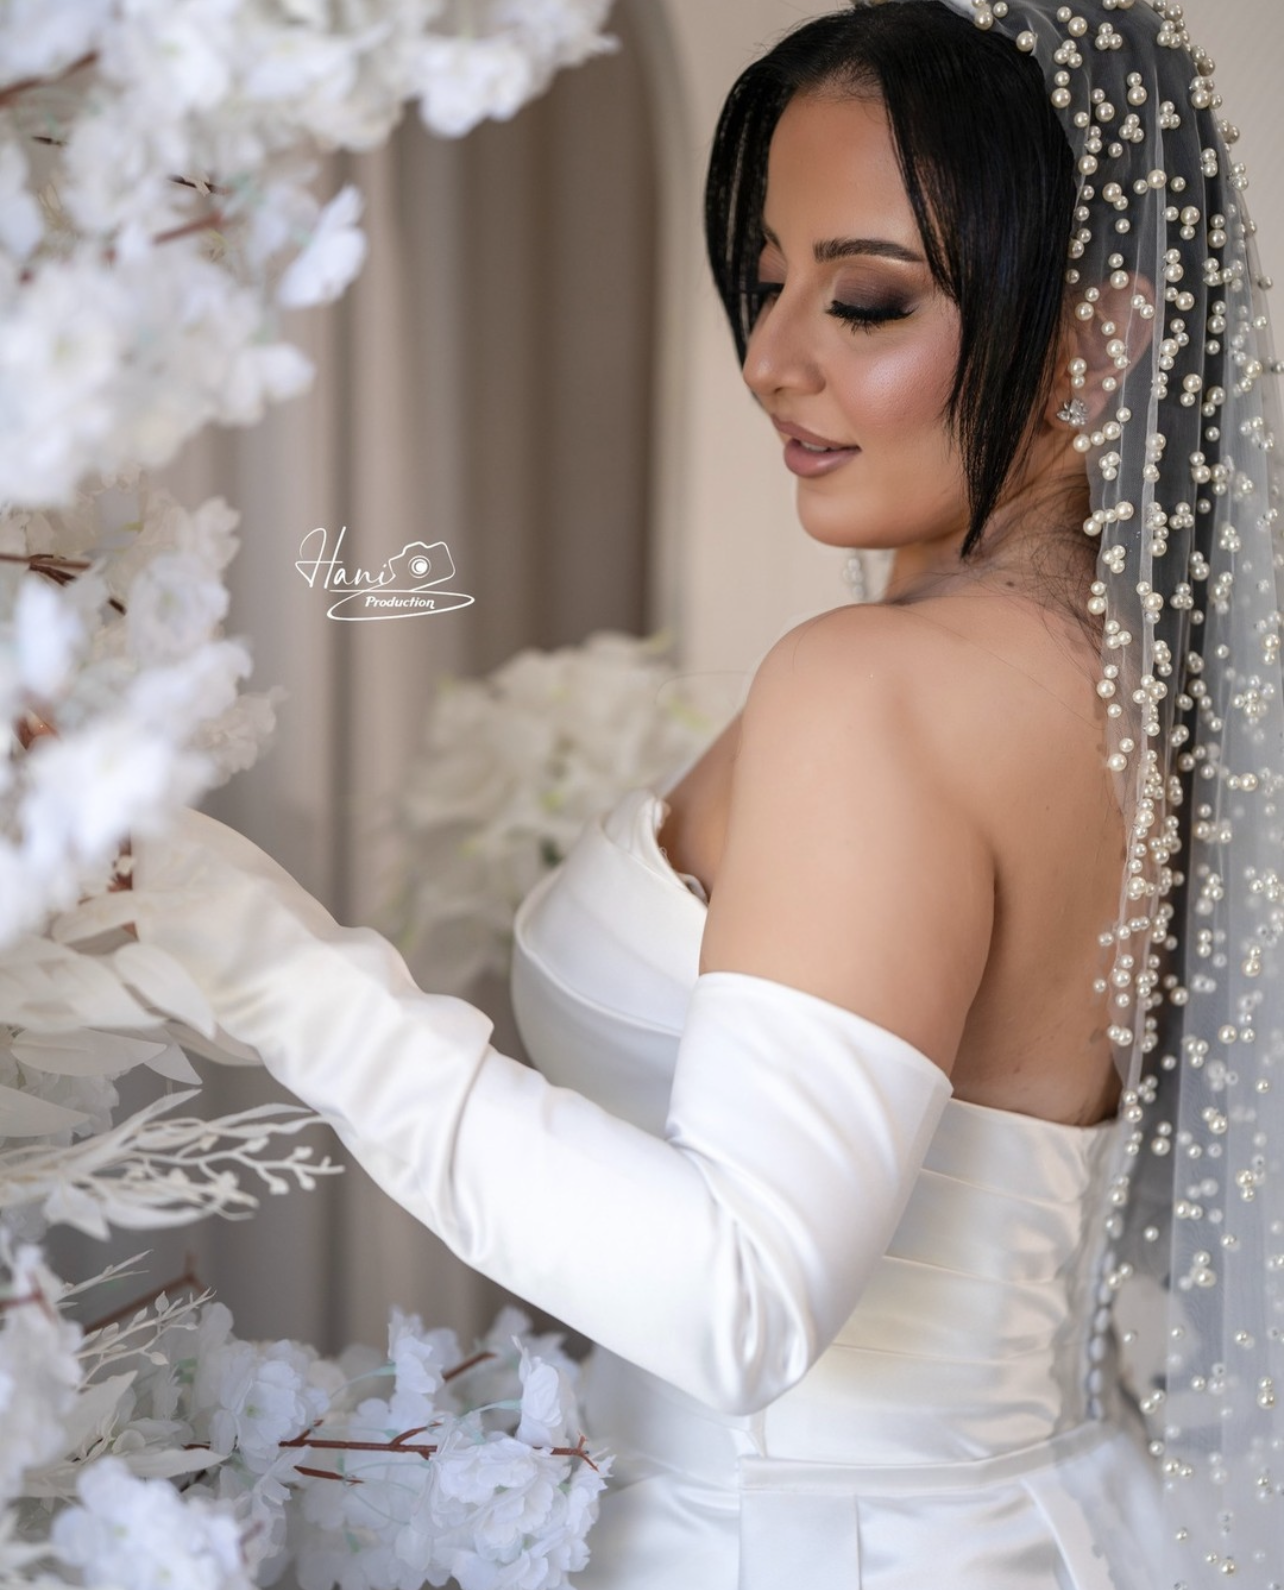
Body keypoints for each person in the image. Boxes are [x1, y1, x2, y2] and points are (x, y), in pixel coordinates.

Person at [123, 1, 1284, 1586]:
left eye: (865, 301)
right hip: (1042, 1514)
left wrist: (257, 952)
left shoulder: (880, 688)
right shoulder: (1127, 683)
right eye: (766, 279)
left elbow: (738, 1300)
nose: (768, 359)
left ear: (1098, 338)